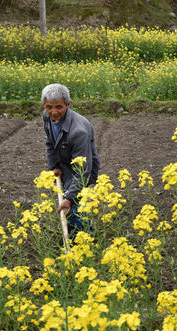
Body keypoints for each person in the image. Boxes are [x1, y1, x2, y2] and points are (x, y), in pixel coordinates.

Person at [42, 83, 100, 236]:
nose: (53, 112)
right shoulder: (47, 117)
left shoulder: (78, 131)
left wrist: (69, 198)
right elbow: (50, 142)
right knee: (69, 209)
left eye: (59, 107)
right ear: (44, 105)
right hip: (65, 161)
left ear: (67, 105)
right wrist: (54, 166)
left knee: (78, 208)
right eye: (49, 107)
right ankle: (73, 239)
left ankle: (86, 243)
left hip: (83, 170)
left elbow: (84, 170)